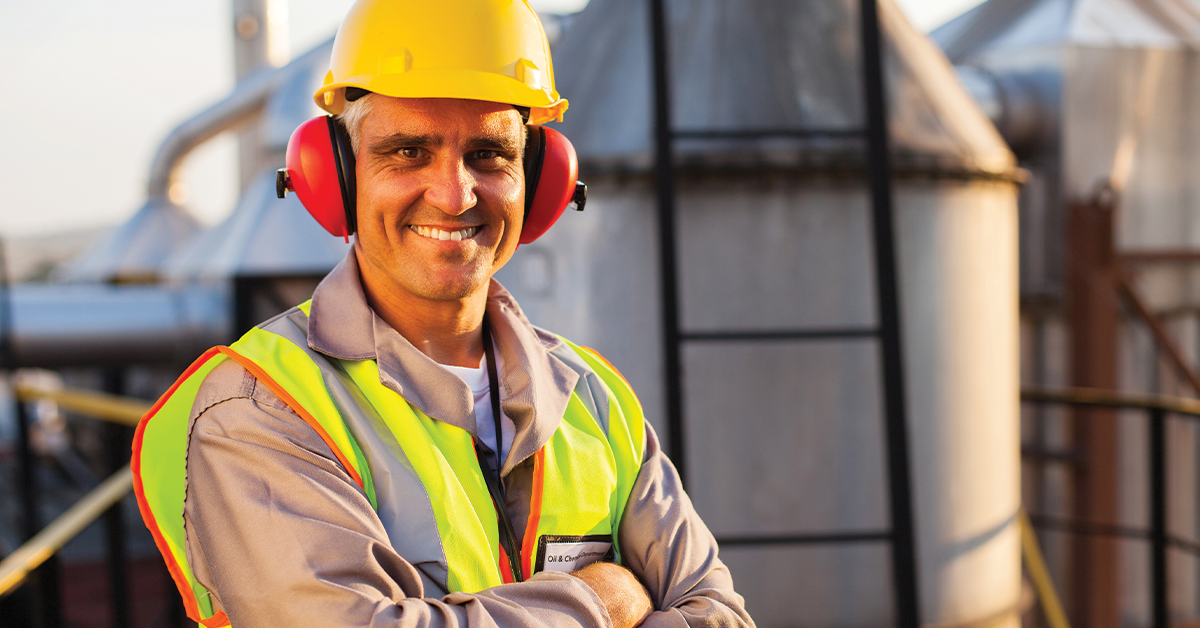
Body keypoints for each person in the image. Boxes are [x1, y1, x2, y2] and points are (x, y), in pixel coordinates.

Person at [132, 2, 752, 627]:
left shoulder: (595, 400)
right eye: (407, 152)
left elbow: (720, 615)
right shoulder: (262, 408)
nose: (455, 195)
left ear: (540, 182)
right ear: (336, 175)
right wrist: (605, 600)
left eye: (489, 154)